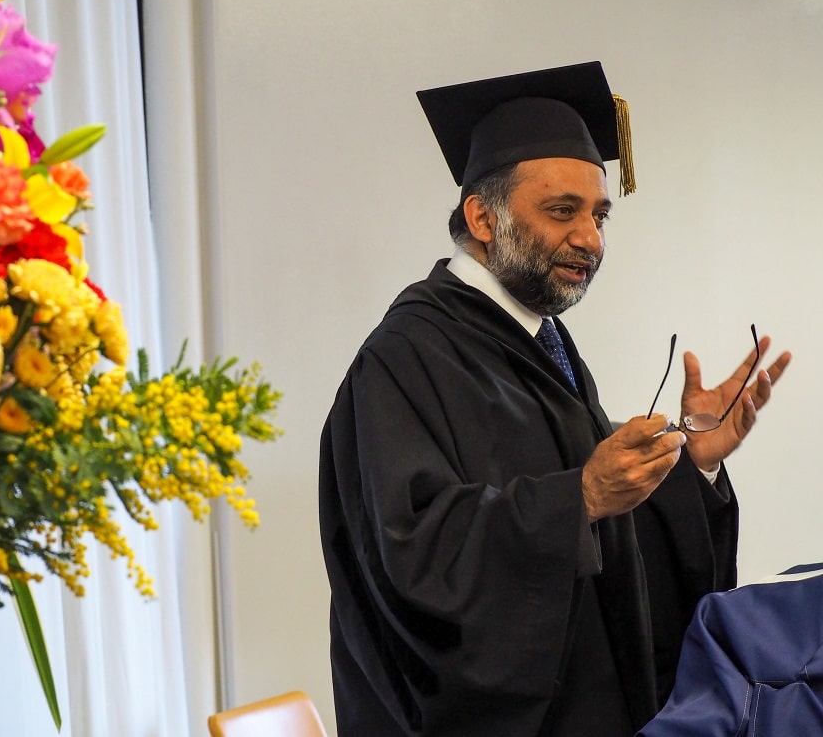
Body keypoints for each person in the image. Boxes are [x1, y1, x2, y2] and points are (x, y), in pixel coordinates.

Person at [318, 61, 792, 737]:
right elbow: (409, 556)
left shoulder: (543, 344)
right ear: (483, 216)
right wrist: (580, 499)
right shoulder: (405, 358)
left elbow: (604, 522)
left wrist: (692, 461)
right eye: (562, 212)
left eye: (599, 215)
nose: (592, 240)